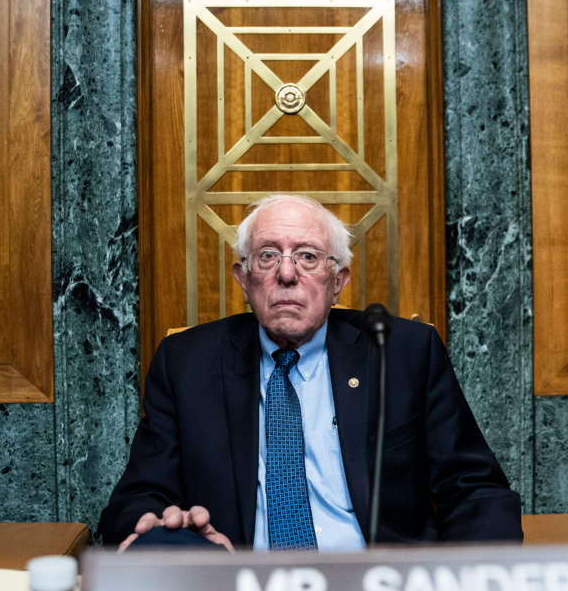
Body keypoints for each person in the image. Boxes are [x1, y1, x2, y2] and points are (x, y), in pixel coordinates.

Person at [97, 194, 522, 551]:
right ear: (244, 279)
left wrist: (462, 590)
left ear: (338, 281)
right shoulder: (186, 362)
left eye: (307, 256)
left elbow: (475, 490)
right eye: (267, 256)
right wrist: (171, 530)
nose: (286, 273)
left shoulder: (404, 353)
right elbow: (136, 499)